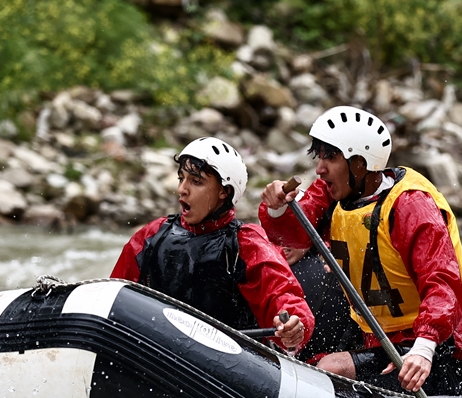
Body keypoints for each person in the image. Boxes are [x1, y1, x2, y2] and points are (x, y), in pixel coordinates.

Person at [259, 105, 462, 394]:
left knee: (331, 369)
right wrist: (276, 209)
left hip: (436, 349)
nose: (319, 168)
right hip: (373, 338)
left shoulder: (411, 206)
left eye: (330, 157)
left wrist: (424, 348)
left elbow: (443, 284)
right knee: (307, 365)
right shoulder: (333, 192)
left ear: (359, 164)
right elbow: (295, 235)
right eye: (321, 156)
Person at [111, 136, 313, 351]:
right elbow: (114, 294)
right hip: (161, 351)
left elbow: (283, 294)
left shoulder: (246, 242)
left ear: (224, 192)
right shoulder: (152, 235)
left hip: (226, 363)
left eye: (196, 182)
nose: (182, 189)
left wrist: (293, 324)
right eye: (182, 178)